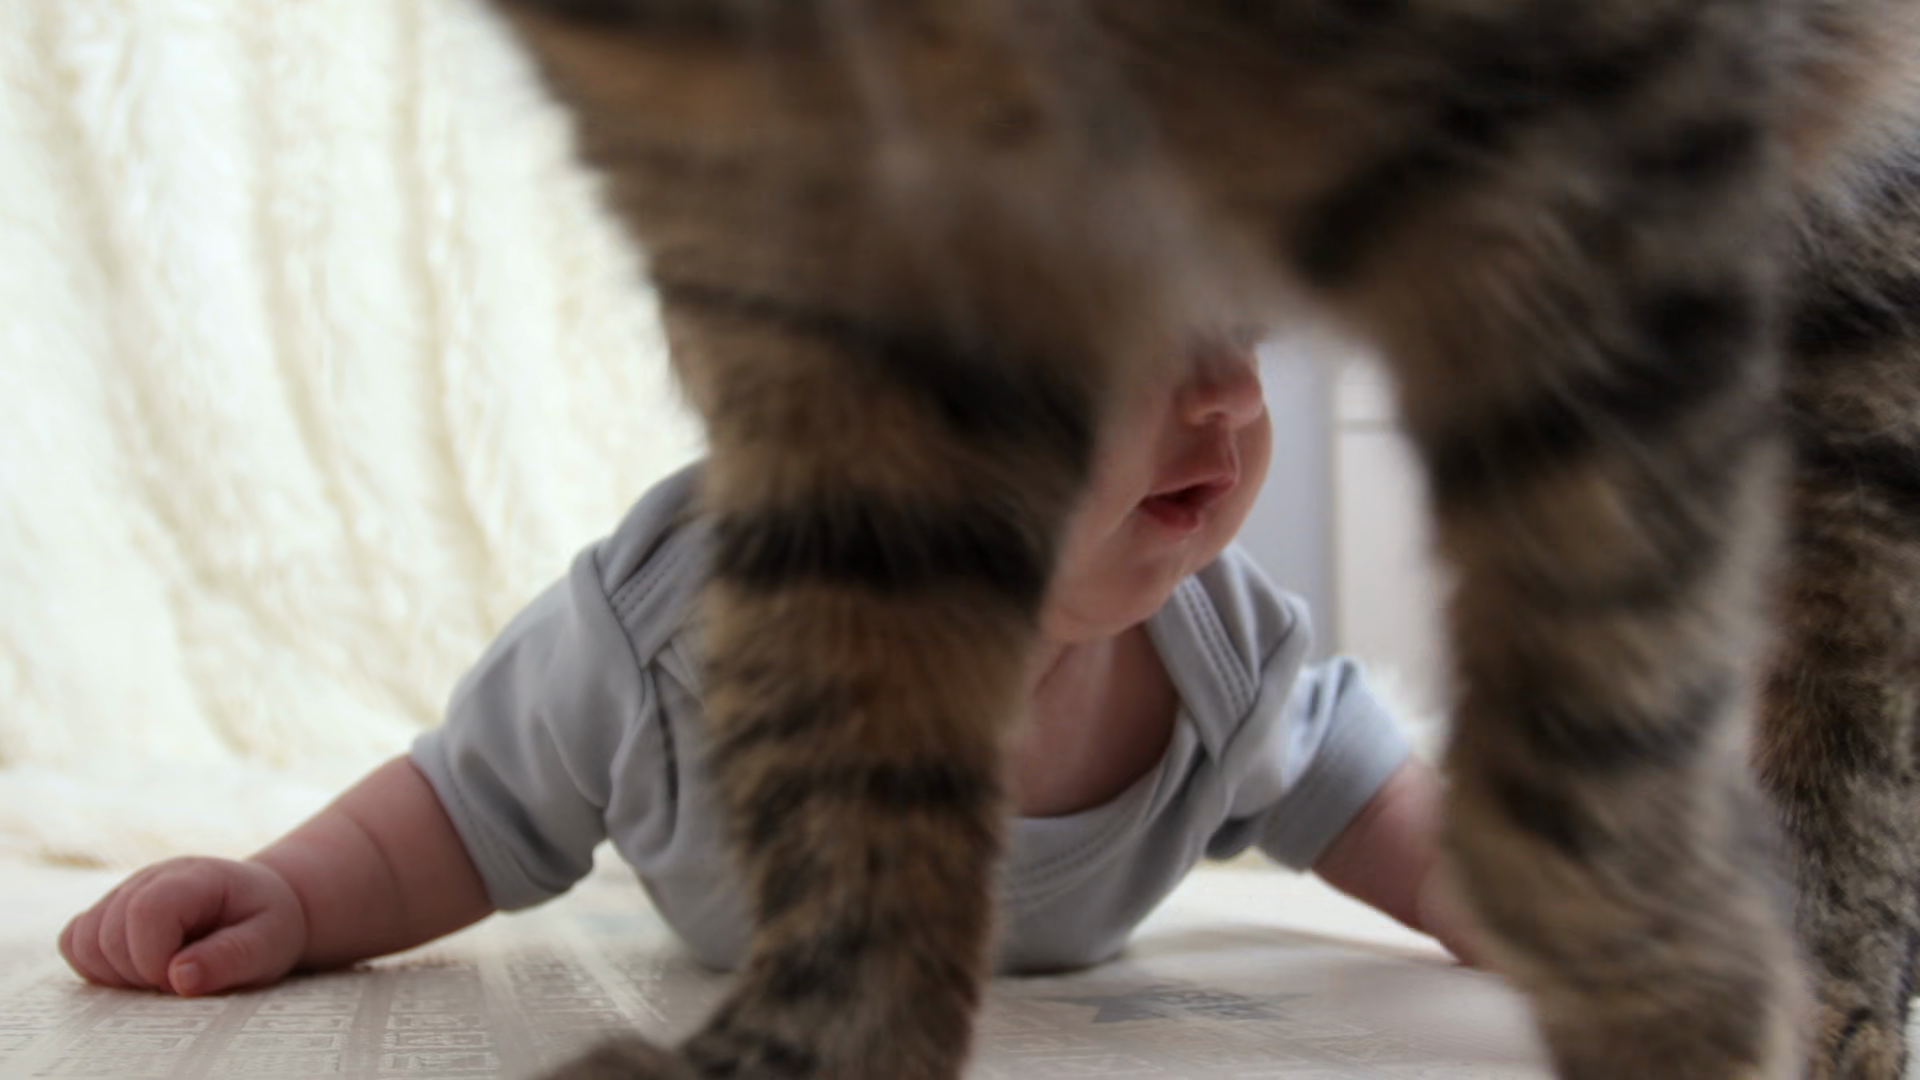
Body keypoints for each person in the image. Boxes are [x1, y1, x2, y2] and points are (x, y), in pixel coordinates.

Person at [59, 338, 1479, 999]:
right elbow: (465, 805)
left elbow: (1352, 779)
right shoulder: (663, 635)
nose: (1233, 391)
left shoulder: (1214, 651)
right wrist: (296, 895)